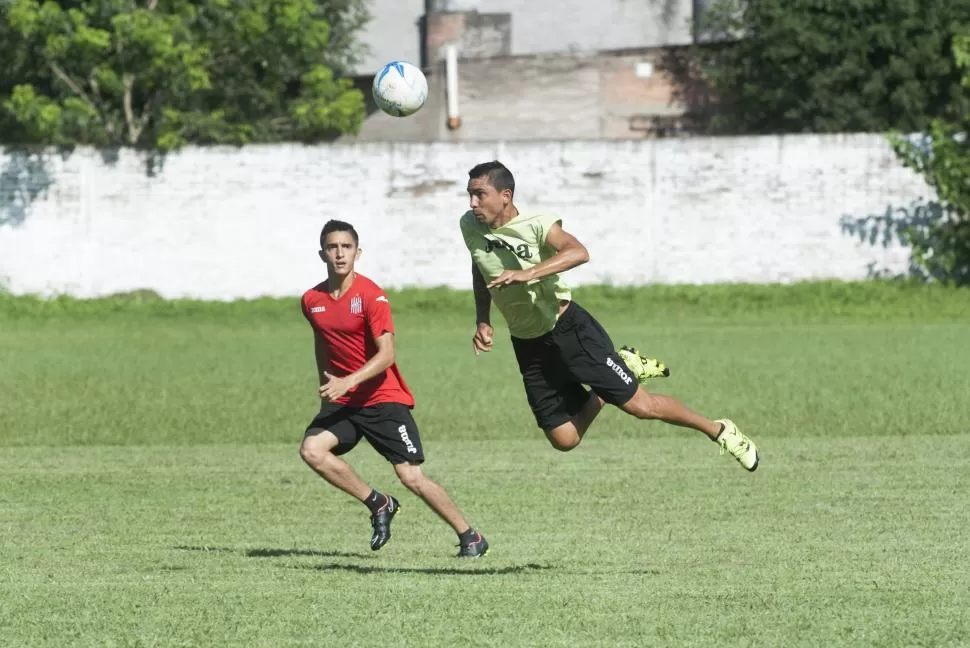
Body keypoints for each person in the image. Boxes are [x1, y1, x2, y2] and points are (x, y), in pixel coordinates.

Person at [458, 161, 760, 471]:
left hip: (569, 331)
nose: (473, 203)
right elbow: (480, 266)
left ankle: (720, 430)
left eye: (480, 195)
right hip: (527, 343)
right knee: (564, 439)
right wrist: (484, 318)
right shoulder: (470, 225)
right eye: (469, 195)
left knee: (641, 407)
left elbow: (578, 252)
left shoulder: (537, 225)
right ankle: (623, 366)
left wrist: (529, 273)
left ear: (505, 195)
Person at [299, 219, 488, 557]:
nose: (340, 254)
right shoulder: (312, 300)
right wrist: (326, 378)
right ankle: (378, 503)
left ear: (358, 253)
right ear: (322, 253)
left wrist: (349, 381)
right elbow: (322, 341)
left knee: (411, 476)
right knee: (312, 450)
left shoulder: (372, 296)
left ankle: (470, 536)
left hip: (382, 399)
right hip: (345, 400)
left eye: (346, 247)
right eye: (332, 247)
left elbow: (387, 355)